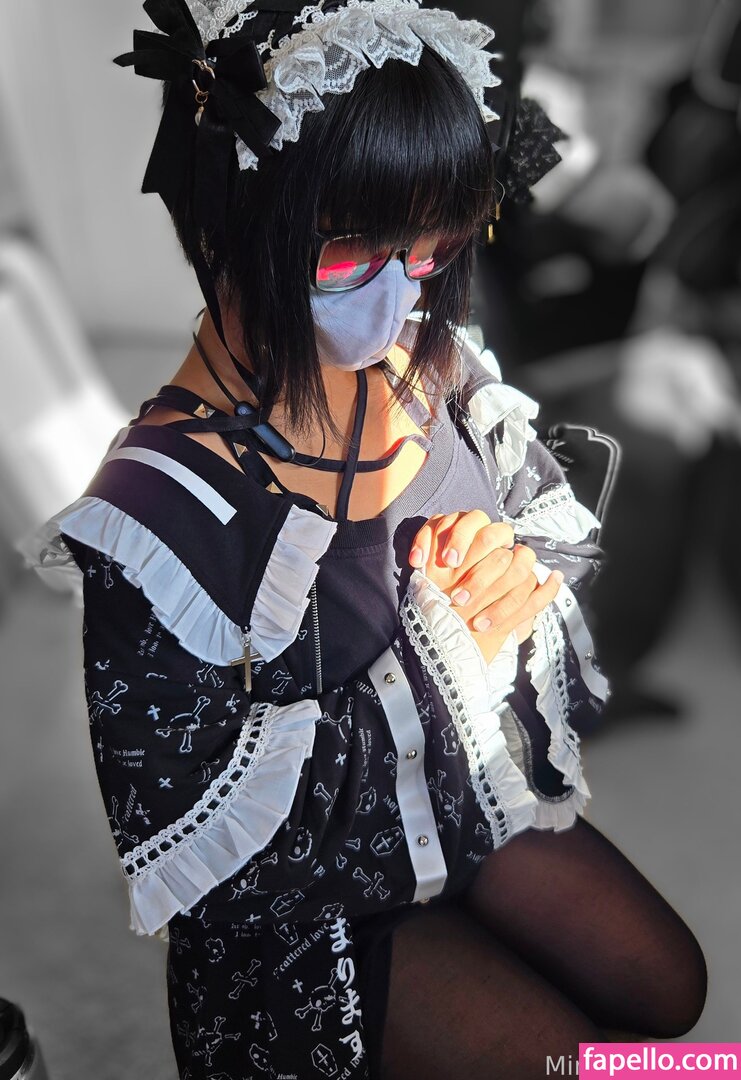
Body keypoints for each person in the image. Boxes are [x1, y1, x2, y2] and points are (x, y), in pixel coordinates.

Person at [20, 0, 708, 1076]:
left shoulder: (433, 369)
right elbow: (193, 831)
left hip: (459, 809)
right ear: (230, 223)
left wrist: (514, 575)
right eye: (351, 253)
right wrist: (446, 652)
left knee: (671, 990)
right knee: (581, 1067)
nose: (398, 294)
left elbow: (546, 536)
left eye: (431, 251)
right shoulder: (155, 513)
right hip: (304, 920)